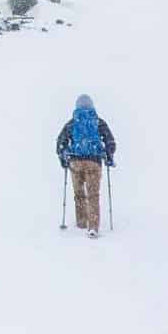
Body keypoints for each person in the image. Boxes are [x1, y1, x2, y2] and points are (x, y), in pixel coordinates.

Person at [57, 93, 117, 238]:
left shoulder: (72, 123)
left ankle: (81, 222)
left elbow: (60, 142)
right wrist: (109, 156)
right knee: (93, 194)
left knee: (79, 194)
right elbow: (110, 142)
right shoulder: (98, 121)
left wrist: (64, 159)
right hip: (93, 162)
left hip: (75, 162)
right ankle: (93, 227)